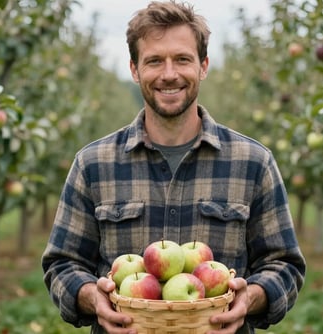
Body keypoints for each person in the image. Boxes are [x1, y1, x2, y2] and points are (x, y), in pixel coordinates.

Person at [41, 1, 306, 333]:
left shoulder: (252, 162)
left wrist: (249, 298)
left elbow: (284, 265)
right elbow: (62, 264)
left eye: (182, 59)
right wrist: (92, 297)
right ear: (135, 69)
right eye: (154, 61)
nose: (169, 74)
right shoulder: (93, 164)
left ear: (203, 65)